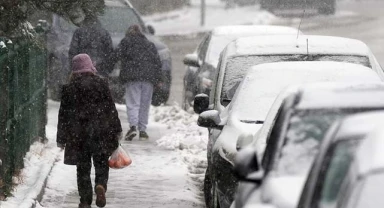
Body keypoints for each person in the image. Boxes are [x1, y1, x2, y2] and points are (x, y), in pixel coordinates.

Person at [57, 54, 122, 208]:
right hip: (101, 132)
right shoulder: (101, 84)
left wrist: (61, 138)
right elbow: (110, 109)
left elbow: (63, 115)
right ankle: (100, 185)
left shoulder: (69, 88)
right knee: (101, 162)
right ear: (90, 66)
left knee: (83, 168)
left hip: (78, 135)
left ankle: (85, 200)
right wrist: (117, 129)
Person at [110, 25, 163, 141]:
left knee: (133, 103)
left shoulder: (126, 42)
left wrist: (107, 68)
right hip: (148, 78)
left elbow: (115, 56)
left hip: (132, 78)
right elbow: (157, 62)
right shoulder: (149, 44)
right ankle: (143, 130)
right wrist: (159, 79)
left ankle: (133, 126)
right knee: (145, 104)